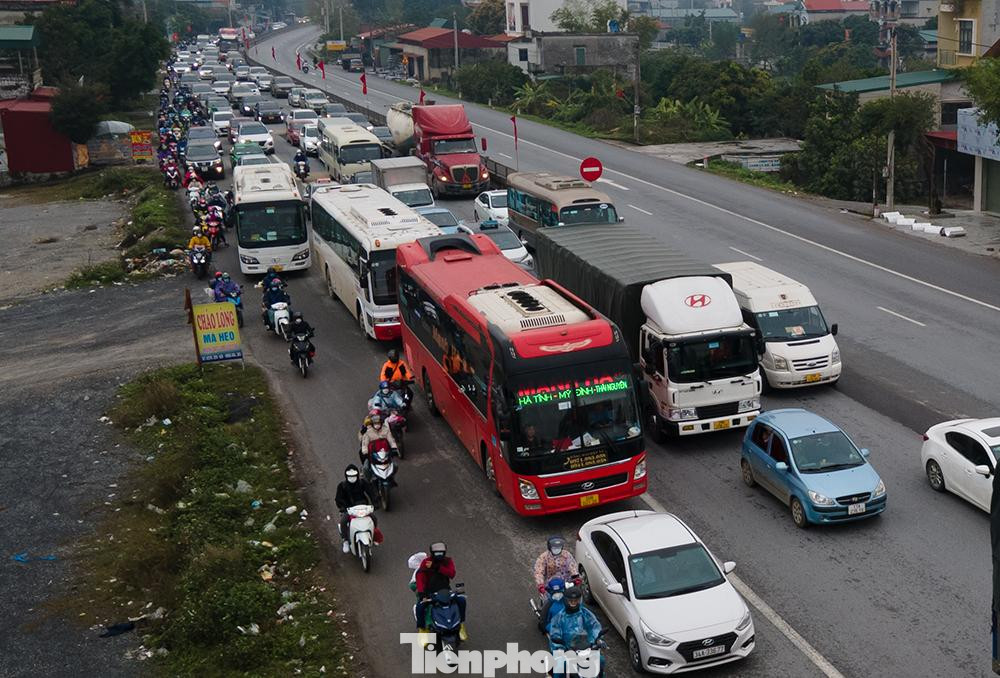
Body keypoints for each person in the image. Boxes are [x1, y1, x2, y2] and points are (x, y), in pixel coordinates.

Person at [547, 588, 603, 674]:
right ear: (565, 601)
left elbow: (594, 626)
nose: (573, 603)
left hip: (585, 649)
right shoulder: (559, 617)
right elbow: (555, 634)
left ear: (579, 600)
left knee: (601, 661)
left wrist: (596, 640)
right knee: (560, 668)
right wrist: (560, 647)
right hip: (567, 650)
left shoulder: (585, 613)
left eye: (576, 600)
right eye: (571, 601)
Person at [414, 542, 466, 631]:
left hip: (445, 590)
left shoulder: (448, 561)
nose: (439, 555)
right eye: (437, 553)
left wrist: (438, 567)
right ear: (432, 553)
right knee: (420, 607)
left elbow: (452, 574)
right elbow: (420, 577)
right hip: (429, 592)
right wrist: (422, 592)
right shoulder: (426, 562)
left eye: (441, 553)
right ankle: (422, 629)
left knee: (462, 601)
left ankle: (461, 625)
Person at [334, 464, 378, 554]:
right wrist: (343, 507)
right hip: (349, 509)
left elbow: (371, 492)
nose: (352, 478)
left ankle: (373, 536)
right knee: (343, 521)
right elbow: (338, 499)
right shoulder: (342, 486)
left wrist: (375, 502)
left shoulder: (362, 483)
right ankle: (345, 540)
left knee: (374, 519)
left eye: (354, 476)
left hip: (363, 508)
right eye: (350, 476)